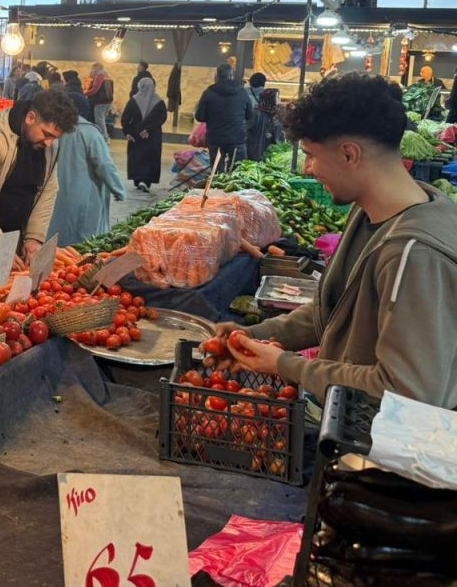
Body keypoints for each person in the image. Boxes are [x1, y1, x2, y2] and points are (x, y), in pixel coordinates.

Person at [208, 73, 457, 408]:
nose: (308, 168)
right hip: (347, 425)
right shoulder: (369, 212)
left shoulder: (416, 254)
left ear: (349, 155)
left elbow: (408, 392)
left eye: (311, 154)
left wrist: (287, 366)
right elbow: (332, 311)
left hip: (378, 449)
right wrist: (257, 336)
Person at [0, 89, 78, 279]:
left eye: (55, 138)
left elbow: (48, 191)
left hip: (13, 242)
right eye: (47, 134)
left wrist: (34, 238)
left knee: (1, 304)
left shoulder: (47, 147)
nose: (49, 144)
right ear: (30, 117)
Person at [46, 119, 125, 248]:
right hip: (85, 195)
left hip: (55, 192)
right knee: (85, 242)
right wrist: (117, 189)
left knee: (56, 235)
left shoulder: (52, 128)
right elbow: (104, 164)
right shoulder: (90, 132)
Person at [194, 63, 254, 172]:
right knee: (237, 173)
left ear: (216, 77)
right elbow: (250, 115)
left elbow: (200, 117)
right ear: (231, 76)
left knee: (216, 173)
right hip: (237, 138)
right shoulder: (241, 92)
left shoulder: (208, 93)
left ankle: (216, 187)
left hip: (215, 138)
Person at [120, 76, 168, 191]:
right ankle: (146, 181)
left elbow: (125, 118)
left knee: (137, 157)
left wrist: (127, 132)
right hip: (153, 135)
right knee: (151, 158)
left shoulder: (133, 100)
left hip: (136, 134)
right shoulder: (159, 102)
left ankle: (137, 180)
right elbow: (162, 118)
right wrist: (149, 129)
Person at [245, 71, 273, 161]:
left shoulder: (244, 91)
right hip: (263, 123)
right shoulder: (268, 93)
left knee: (248, 144)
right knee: (260, 145)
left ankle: (247, 160)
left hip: (247, 121)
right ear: (264, 83)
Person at [85, 62, 114, 137]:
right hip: (107, 100)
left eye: (93, 68)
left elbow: (95, 89)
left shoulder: (100, 75)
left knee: (99, 120)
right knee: (102, 119)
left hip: (100, 101)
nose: (92, 69)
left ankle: (104, 137)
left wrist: (85, 94)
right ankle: (104, 136)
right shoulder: (107, 75)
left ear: (97, 67)